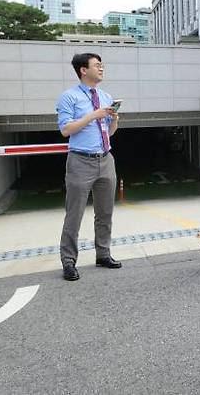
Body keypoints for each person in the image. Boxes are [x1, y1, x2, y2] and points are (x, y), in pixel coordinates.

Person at [56, 53, 121, 281]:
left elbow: (109, 132)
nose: (101, 68)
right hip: (80, 160)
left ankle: (103, 254)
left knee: (105, 212)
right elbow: (66, 130)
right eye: (97, 65)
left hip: (105, 158)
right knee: (74, 213)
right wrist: (93, 115)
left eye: (102, 64)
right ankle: (68, 261)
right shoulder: (69, 97)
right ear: (84, 70)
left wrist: (113, 119)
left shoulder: (105, 96)